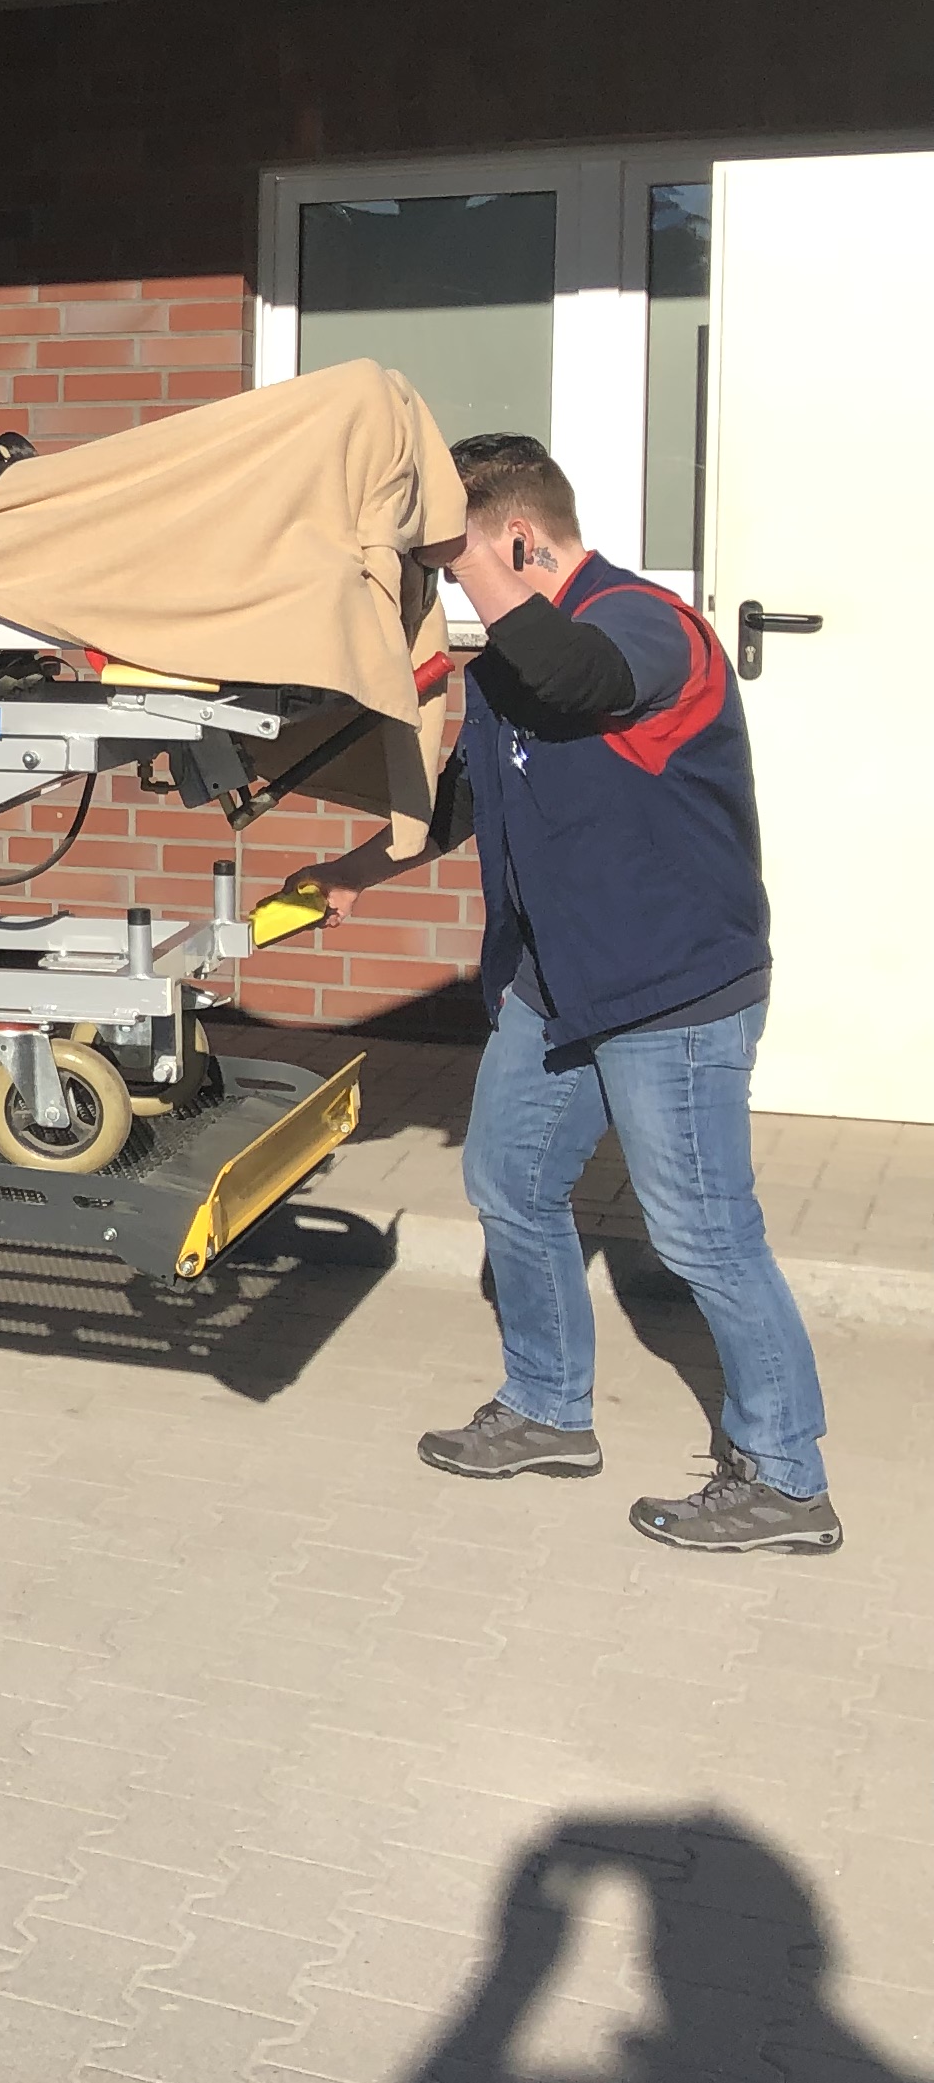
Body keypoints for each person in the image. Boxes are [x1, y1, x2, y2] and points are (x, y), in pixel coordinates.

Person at [313, 433, 837, 1555]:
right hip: (556, 989)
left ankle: (788, 1478)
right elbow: (468, 795)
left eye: (456, 559)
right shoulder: (514, 658)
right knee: (509, 1185)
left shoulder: (646, 624)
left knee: (705, 1235)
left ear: (516, 540)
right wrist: (354, 873)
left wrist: (474, 564)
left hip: (671, 990)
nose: (451, 584)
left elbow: (582, 679)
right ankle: (548, 1411)